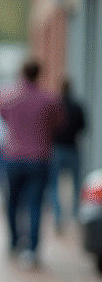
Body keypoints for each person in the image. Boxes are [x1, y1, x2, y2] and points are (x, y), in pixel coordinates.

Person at [0, 59, 64, 268]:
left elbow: (1, 115)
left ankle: (14, 242)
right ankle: (32, 251)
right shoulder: (49, 99)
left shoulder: (7, 98)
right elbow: (59, 124)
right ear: (38, 74)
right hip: (40, 158)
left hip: (14, 156)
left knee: (12, 202)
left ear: (22, 73)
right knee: (35, 204)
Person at [48, 77, 87, 232]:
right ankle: (76, 215)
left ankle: (58, 216)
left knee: (53, 185)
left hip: (56, 149)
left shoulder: (54, 106)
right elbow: (84, 127)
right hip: (72, 148)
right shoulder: (77, 106)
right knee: (76, 184)